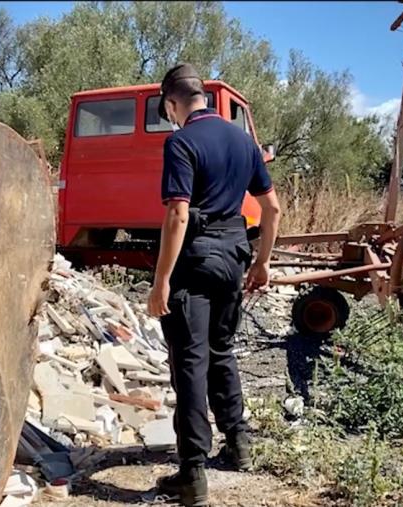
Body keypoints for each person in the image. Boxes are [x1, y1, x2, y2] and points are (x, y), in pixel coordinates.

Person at [147, 63, 281, 507]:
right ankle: (238, 443)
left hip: (197, 259)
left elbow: (178, 214)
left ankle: (192, 474)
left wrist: (161, 281)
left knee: (189, 361)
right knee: (221, 350)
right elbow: (273, 209)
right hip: (235, 255)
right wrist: (261, 263)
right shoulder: (245, 142)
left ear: (172, 103)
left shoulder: (181, 142)